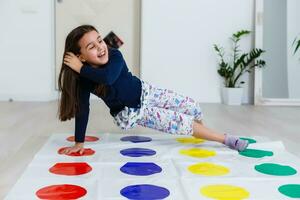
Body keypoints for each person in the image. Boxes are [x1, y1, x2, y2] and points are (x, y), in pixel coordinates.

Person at [58, 25, 248, 155]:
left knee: (191, 106)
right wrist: (79, 143)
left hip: (145, 91)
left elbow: (108, 77)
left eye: (100, 40)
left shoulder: (114, 54)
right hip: (131, 113)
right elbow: (83, 108)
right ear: (80, 57)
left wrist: (81, 67)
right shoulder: (84, 79)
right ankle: (226, 139)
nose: (101, 47)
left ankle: (201, 131)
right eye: (92, 46)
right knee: (180, 122)